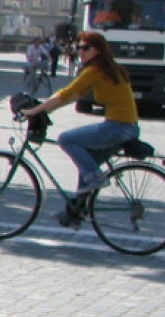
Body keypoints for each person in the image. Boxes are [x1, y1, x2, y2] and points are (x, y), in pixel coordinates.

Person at [19, 31, 139, 228]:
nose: (80, 52)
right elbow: (70, 97)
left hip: (118, 127)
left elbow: (66, 93)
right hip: (127, 127)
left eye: (85, 48)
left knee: (67, 139)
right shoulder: (107, 69)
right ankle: (74, 213)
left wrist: (34, 110)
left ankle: (95, 178)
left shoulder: (96, 70)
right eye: (78, 48)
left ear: (98, 50)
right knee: (86, 167)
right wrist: (43, 109)